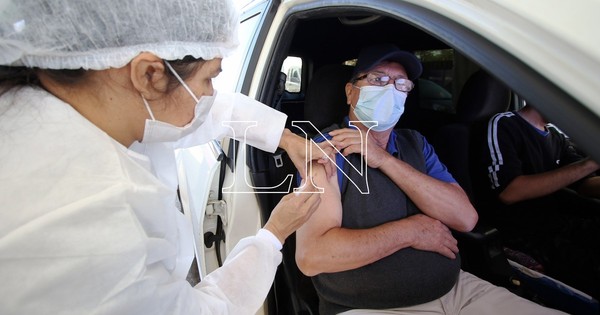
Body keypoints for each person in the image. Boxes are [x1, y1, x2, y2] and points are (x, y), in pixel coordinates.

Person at [0, 0, 333, 314]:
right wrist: (273, 233)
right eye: (209, 79)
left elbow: (215, 111)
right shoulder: (92, 218)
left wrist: (286, 138)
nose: (209, 97)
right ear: (149, 74)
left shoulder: (74, 104)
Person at [295, 44, 567, 314]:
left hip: (458, 290)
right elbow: (312, 255)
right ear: (350, 92)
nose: (391, 89)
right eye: (378, 79)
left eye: (402, 84)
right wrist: (411, 232)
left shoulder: (415, 143)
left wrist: (385, 160)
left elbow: (465, 218)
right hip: (370, 306)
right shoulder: (325, 151)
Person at [477, 103, 600, 299]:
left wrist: (588, 167)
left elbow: (584, 184)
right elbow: (509, 192)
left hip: (560, 224)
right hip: (524, 232)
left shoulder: (555, 136)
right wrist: (591, 162)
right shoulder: (504, 124)